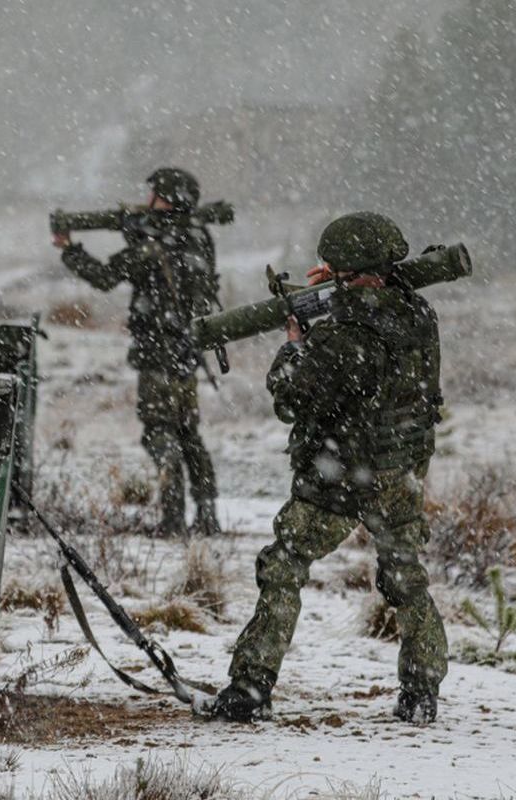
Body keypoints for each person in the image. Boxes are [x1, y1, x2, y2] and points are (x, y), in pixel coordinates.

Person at [201, 212, 448, 724]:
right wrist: (341, 289)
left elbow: (293, 398)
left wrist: (295, 346)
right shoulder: (418, 312)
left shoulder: (344, 335)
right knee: (405, 576)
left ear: (346, 268)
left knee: (284, 566)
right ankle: (421, 691)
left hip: (343, 476)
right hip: (401, 471)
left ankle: (251, 687)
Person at [51, 168, 222, 537]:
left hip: (158, 353)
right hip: (188, 353)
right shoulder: (200, 237)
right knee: (189, 434)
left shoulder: (153, 246)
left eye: (155, 195)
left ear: (168, 200)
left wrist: (69, 249)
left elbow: (104, 277)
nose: (148, 201)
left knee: (160, 432)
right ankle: (208, 514)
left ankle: (172, 519)